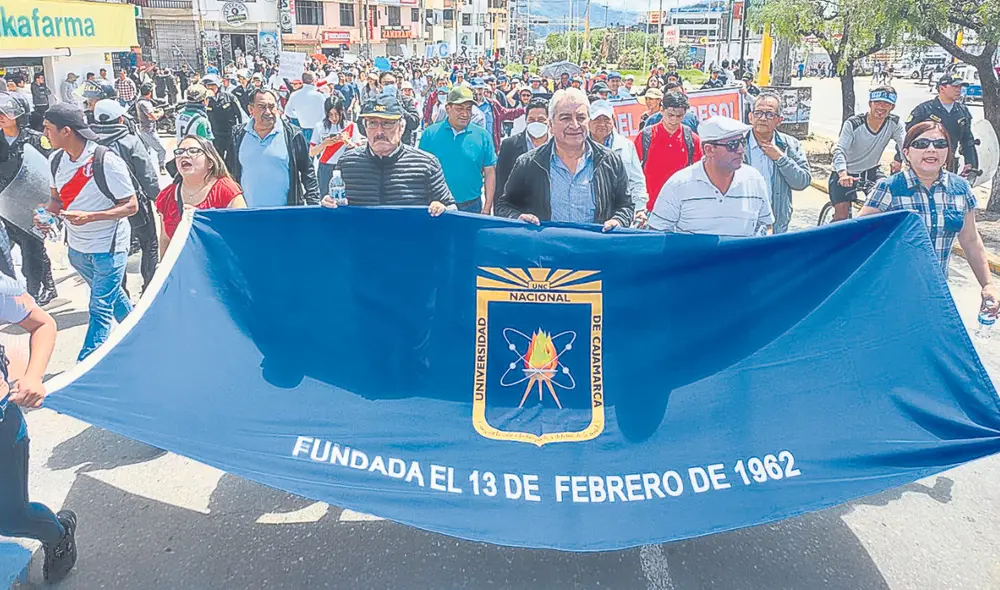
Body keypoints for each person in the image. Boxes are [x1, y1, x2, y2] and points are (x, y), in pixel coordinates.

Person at [860, 121, 999, 317]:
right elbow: (859, 237)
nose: (931, 149)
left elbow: (970, 241)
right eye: (921, 144)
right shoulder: (889, 188)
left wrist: (987, 285)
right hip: (889, 295)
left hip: (936, 294)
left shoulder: (960, 189)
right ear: (906, 152)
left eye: (940, 144)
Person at [38, 103, 138, 360]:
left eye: (49, 129)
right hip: (78, 250)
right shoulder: (56, 160)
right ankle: (143, 337)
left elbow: (131, 205)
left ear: (67, 131)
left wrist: (92, 217)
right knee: (113, 299)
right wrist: (45, 215)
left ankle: (86, 365)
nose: (44, 133)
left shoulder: (105, 160)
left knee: (100, 308)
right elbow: (56, 200)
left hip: (109, 247)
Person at [0, 268, 77, 583]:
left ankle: (58, 534)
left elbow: (43, 323)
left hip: (3, 426)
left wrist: (33, 377)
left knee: (11, 519)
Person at [496, 88, 633, 230]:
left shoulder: (611, 161)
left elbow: (625, 206)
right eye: (565, 118)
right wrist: (517, 218)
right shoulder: (529, 163)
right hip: (546, 249)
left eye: (581, 118)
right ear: (551, 125)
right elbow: (504, 206)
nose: (574, 125)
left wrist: (618, 221)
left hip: (595, 249)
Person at [320, 94, 455, 212]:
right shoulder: (347, 163)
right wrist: (328, 203)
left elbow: (450, 207)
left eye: (387, 123)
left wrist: (440, 207)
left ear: (401, 127)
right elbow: (336, 204)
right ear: (365, 128)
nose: (379, 132)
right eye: (372, 123)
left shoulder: (427, 165)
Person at [649, 116, 773, 237]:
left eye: (743, 143)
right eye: (733, 144)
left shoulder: (755, 180)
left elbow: (766, 225)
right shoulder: (678, 185)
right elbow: (658, 234)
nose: (741, 150)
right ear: (708, 150)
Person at [91, 99, 161, 294]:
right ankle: (150, 289)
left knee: (116, 249)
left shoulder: (90, 143)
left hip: (105, 206)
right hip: (135, 204)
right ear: (121, 118)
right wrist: (160, 200)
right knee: (149, 244)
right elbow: (147, 176)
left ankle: (120, 293)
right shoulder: (131, 140)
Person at [0, 92, 58, 304]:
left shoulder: (36, 139)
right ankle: (47, 286)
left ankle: (34, 292)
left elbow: (49, 170)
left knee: (32, 251)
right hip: (6, 206)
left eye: (7, 112)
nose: (2, 116)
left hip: (34, 206)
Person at [227, 88, 320, 207]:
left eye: (272, 107)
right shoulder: (238, 135)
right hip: (247, 214)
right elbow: (228, 172)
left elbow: (308, 172)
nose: (268, 112)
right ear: (251, 109)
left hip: (285, 215)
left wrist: (313, 205)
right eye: (261, 107)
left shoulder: (292, 135)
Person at [155, 136, 246, 255]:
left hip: (217, 267)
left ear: (210, 162)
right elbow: (165, 239)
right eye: (179, 151)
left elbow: (242, 232)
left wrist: (203, 220)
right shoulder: (166, 196)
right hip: (183, 269)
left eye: (193, 151)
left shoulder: (226, 189)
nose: (184, 155)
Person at [829, 86, 905, 221]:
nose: (881, 107)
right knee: (842, 216)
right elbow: (840, 150)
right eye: (878, 102)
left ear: (892, 107)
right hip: (846, 173)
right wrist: (843, 174)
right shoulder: (853, 123)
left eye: (886, 104)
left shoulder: (894, 123)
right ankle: (829, 239)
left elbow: (906, 147)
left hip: (871, 171)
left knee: (886, 205)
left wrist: (914, 168)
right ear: (870, 103)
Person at [419, 86, 497, 214]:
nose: (465, 114)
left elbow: (489, 172)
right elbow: (420, 170)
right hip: (437, 206)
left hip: (472, 206)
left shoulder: (483, 136)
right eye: (460, 109)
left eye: (468, 109)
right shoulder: (430, 134)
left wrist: (487, 207)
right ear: (448, 108)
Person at [744, 92, 812, 234]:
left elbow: (802, 181)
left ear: (779, 120)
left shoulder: (790, 145)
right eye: (758, 113)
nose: (762, 118)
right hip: (742, 222)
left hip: (776, 224)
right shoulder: (737, 144)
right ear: (750, 117)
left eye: (769, 114)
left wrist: (781, 158)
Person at [635, 92, 702, 214]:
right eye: (670, 114)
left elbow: (700, 174)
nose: (674, 120)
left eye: (679, 116)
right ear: (662, 110)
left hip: (682, 209)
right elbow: (632, 172)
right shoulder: (645, 136)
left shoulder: (693, 140)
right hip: (650, 208)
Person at [906, 74, 978, 175]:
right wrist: (898, 159)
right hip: (924, 160)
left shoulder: (963, 111)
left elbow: (967, 139)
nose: (959, 90)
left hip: (949, 163)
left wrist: (970, 162)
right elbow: (908, 136)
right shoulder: (924, 110)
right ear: (942, 88)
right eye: (954, 87)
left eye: (960, 87)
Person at [588, 100, 648, 219]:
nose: (602, 124)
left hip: (620, 213)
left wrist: (639, 208)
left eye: (606, 120)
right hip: (590, 213)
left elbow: (637, 181)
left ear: (613, 121)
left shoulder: (626, 146)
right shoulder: (578, 146)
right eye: (597, 120)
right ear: (588, 122)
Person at [496, 97, 549, 196]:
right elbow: (501, 184)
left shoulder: (558, 145)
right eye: (531, 120)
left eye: (541, 120)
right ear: (525, 120)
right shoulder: (509, 145)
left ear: (549, 120)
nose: (536, 123)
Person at [309, 95, 360, 196]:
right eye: (330, 114)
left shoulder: (351, 126)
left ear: (342, 111)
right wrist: (324, 144)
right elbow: (311, 152)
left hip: (346, 166)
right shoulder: (320, 127)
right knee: (326, 197)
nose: (334, 118)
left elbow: (359, 150)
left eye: (336, 114)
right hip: (325, 167)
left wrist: (347, 142)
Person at [470, 78, 524, 154]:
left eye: (480, 89)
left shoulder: (492, 104)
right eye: (475, 89)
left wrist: (523, 110)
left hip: (491, 146)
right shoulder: (467, 105)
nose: (478, 91)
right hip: (472, 145)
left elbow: (506, 113)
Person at [200, 74, 242, 162]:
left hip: (230, 134)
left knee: (232, 159)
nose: (210, 88)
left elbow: (240, 115)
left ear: (218, 86)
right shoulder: (204, 101)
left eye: (212, 85)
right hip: (215, 135)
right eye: (207, 86)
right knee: (218, 160)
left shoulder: (230, 98)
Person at [283, 71, 327, 143]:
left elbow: (287, 111)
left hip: (303, 128)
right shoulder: (320, 96)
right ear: (314, 81)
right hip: (319, 130)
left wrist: (299, 116)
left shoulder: (294, 95)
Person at [134, 85, 167, 174]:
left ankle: (146, 170)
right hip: (148, 130)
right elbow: (152, 117)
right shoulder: (144, 103)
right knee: (161, 150)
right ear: (150, 92)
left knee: (146, 151)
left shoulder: (142, 101)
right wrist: (161, 113)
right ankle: (162, 166)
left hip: (146, 129)